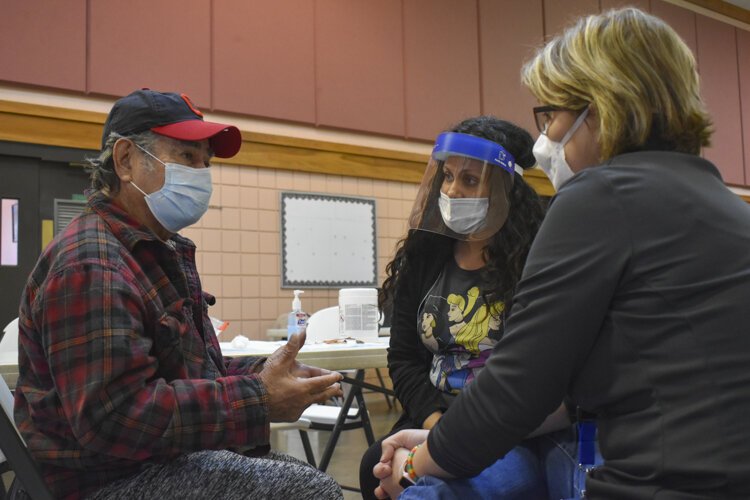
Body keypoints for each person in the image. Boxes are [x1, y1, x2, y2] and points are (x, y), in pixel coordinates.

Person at [373, 7, 750, 500]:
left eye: (549, 115)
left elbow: (518, 387)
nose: (545, 138)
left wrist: (414, 467)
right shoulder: (725, 204)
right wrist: (439, 436)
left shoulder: (600, 198)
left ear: (599, 108)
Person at [14, 89, 345, 500]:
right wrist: (258, 398)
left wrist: (267, 375)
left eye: (205, 161)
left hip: (152, 465)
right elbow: (115, 417)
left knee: (305, 480)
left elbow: (187, 373)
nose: (202, 172)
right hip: (99, 483)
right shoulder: (91, 264)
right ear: (125, 160)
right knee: (307, 492)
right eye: (187, 157)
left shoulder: (152, 251)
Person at [359, 116, 577, 499]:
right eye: (447, 176)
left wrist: (452, 443)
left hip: (511, 426)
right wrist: (438, 428)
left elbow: (538, 373)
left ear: (505, 190)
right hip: (433, 416)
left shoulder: (535, 260)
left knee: (454, 484)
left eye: (470, 180)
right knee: (375, 466)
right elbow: (404, 360)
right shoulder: (425, 255)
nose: (453, 191)